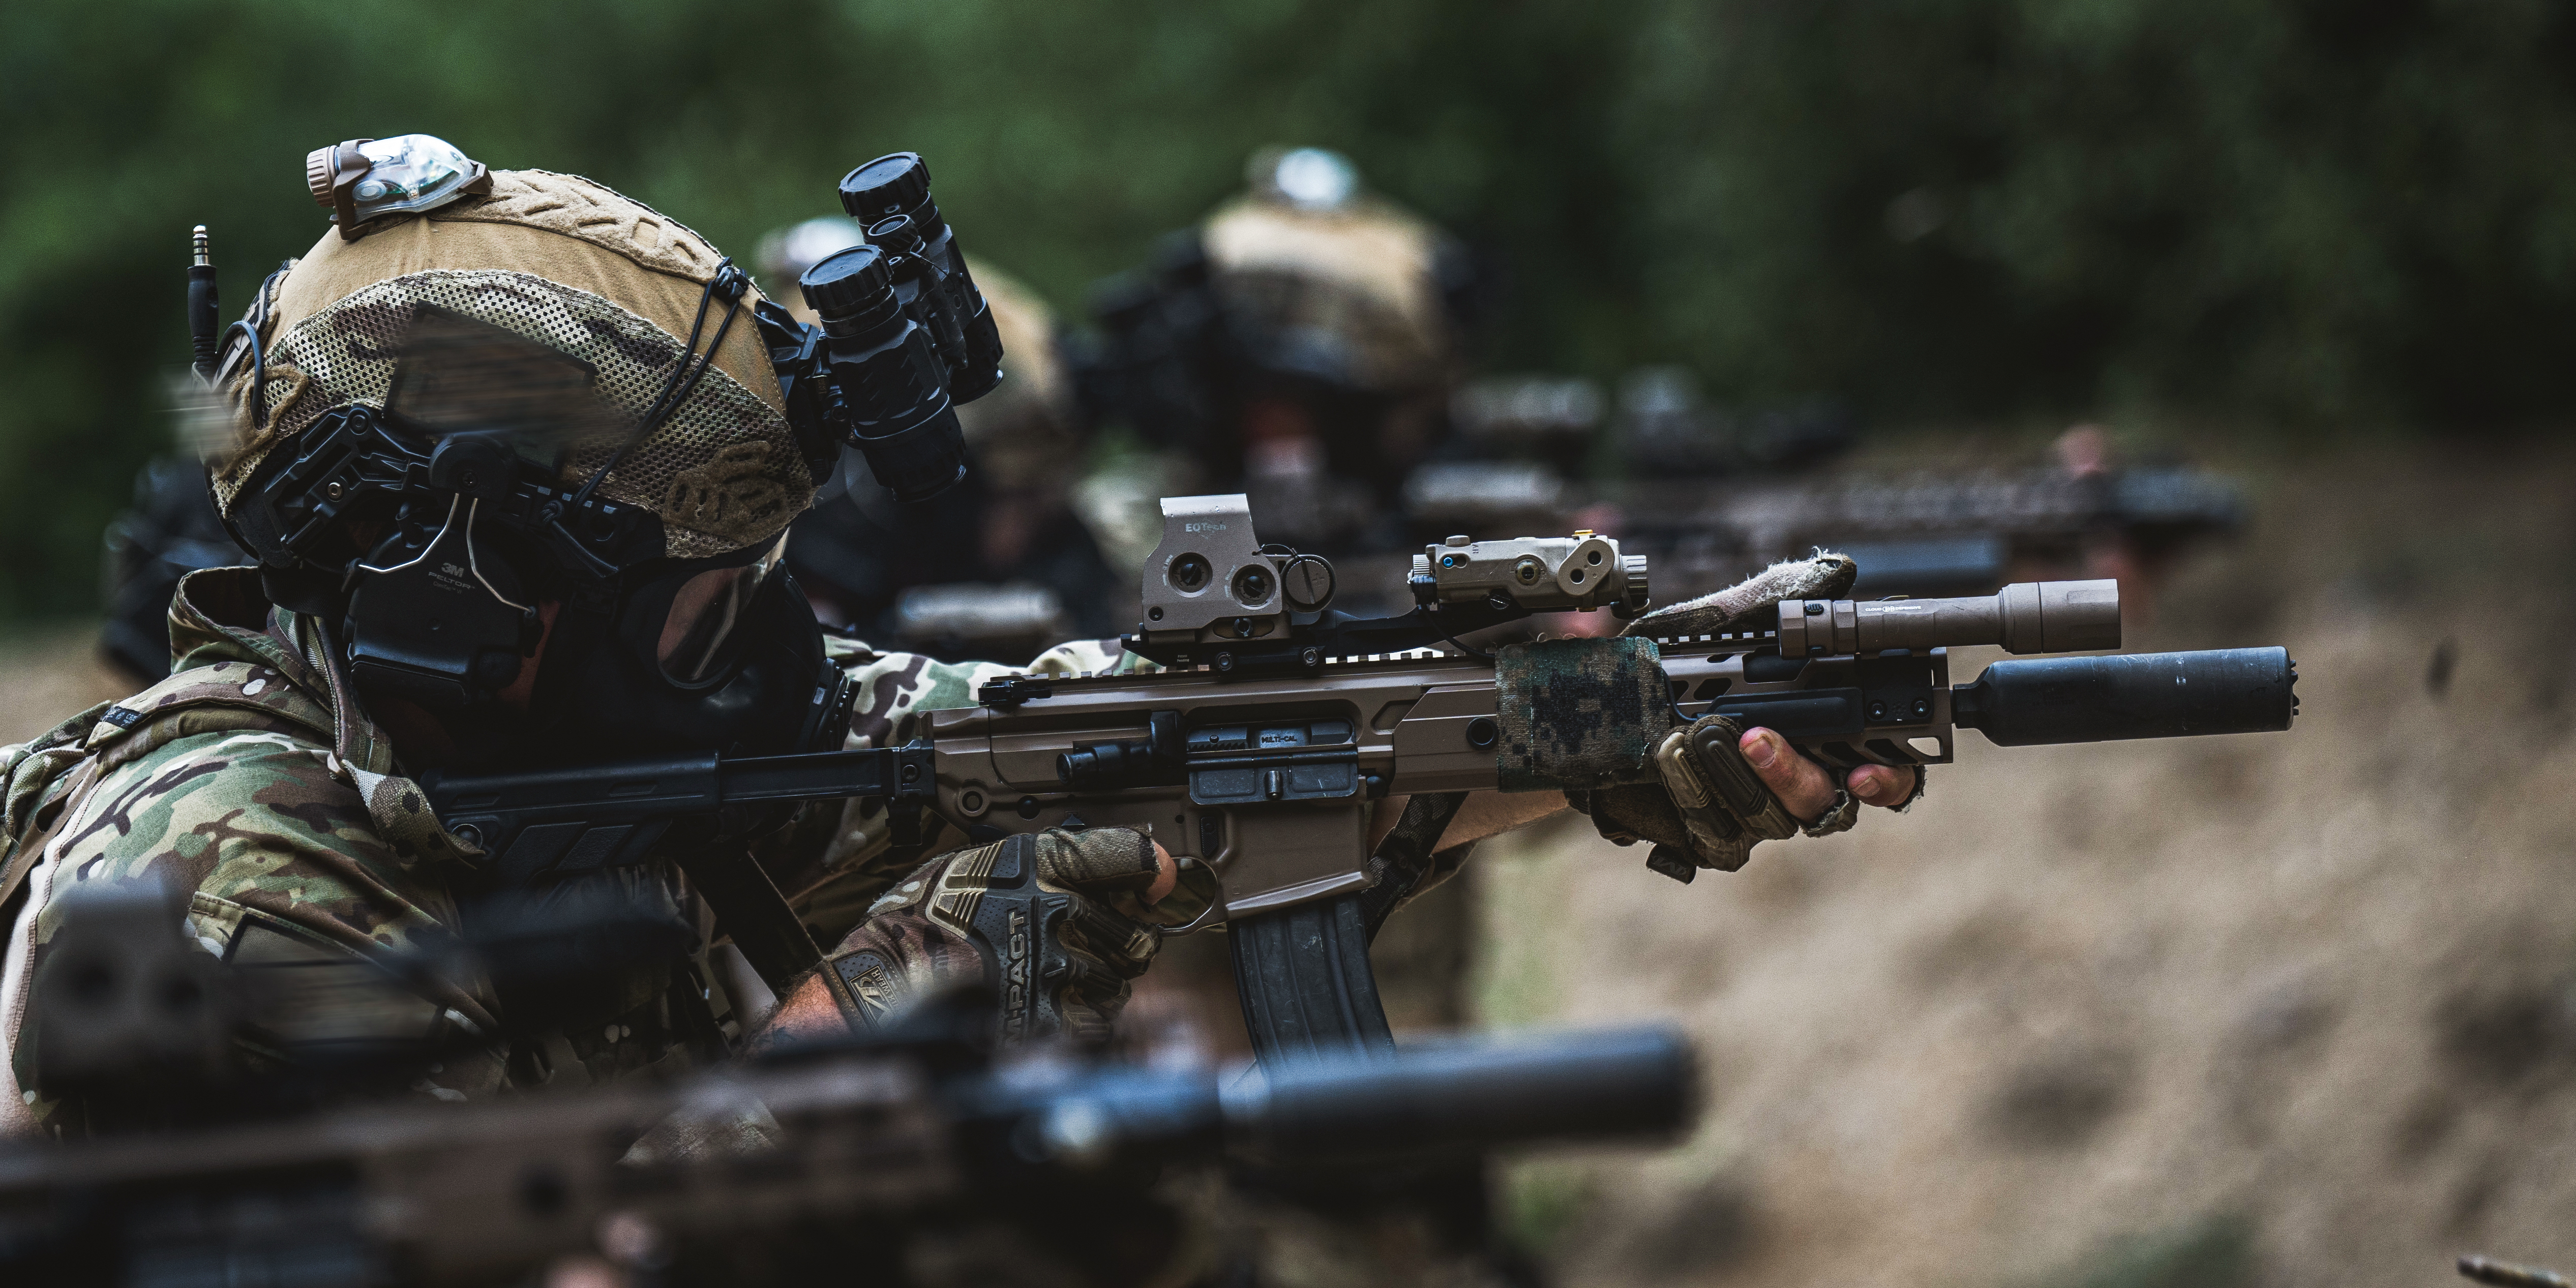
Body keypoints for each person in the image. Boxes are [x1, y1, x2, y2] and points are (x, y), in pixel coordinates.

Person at [0, 138, 1916, 1161]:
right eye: (691, 584)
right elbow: (571, 1219)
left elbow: (1103, 746)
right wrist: (972, 960)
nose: (747, 633)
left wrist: (1609, 720)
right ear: (462, 581)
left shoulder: (573, 739)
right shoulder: (227, 889)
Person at [759, 216, 1122, 660]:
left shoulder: (826, 313)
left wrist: (1019, 488)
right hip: (1010, 458)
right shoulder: (941, 280)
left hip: (998, 466)